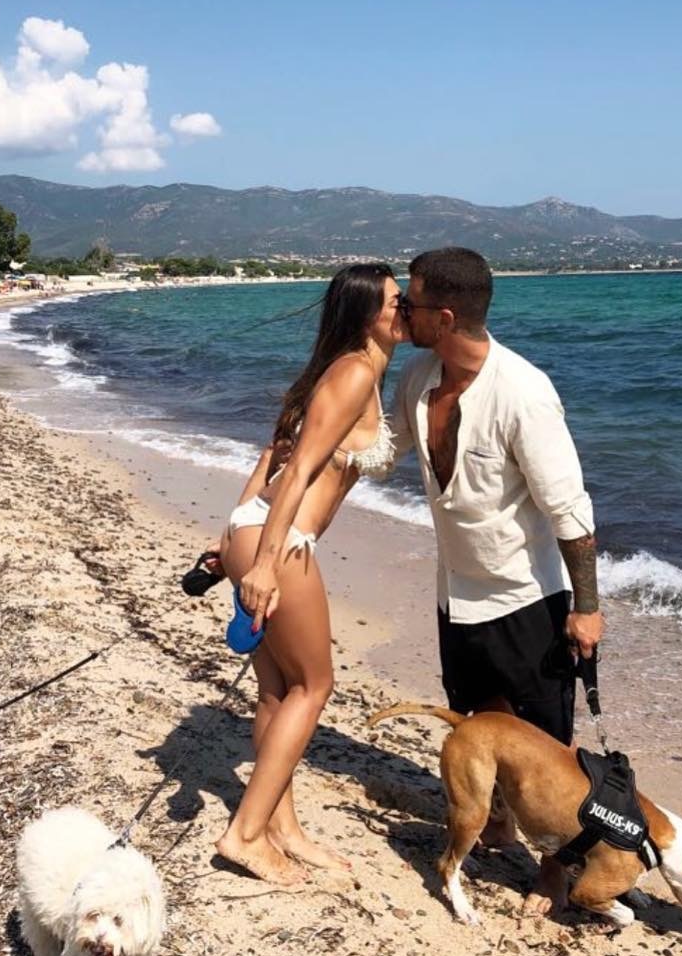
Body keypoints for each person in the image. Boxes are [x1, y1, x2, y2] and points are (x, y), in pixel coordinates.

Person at [390, 246, 604, 914]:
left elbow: (571, 513)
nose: (400, 310)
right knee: (479, 719)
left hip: (526, 598)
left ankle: (555, 869)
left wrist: (587, 608)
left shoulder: (523, 393)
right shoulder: (418, 378)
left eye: (409, 301)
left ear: (445, 316)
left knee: (547, 744)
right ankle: (500, 824)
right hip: (456, 592)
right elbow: (385, 448)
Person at [213, 263, 404, 885]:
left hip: (253, 525)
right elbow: (295, 473)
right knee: (314, 686)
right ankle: (244, 834)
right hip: (281, 540)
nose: (404, 309)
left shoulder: (346, 370)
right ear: (367, 314)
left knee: (276, 692)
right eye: (395, 301)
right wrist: (265, 563)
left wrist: (230, 536)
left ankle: (282, 827)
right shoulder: (354, 373)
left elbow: (272, 454)